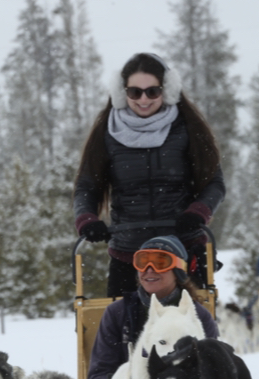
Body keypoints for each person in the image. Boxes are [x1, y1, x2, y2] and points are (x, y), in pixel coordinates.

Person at [74, 52, 225, 297]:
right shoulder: (106, 134)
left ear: (168, 90)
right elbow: (87, 187)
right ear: (122, 93)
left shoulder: (188, 129)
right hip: (129, 254)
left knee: (190, 331)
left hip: (182, 250)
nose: (143, 99)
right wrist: (87, 219)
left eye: (152, 91)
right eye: (134, 92)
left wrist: (198, 212)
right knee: (122, 330)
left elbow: (214, 184)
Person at [86, 235, 217, 379]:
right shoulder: (118, 313)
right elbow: (101, 370)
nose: (149, 270)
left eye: (160, 263)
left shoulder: (196, 316)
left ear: (177, 270)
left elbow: (214, 368)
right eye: (143, 262)